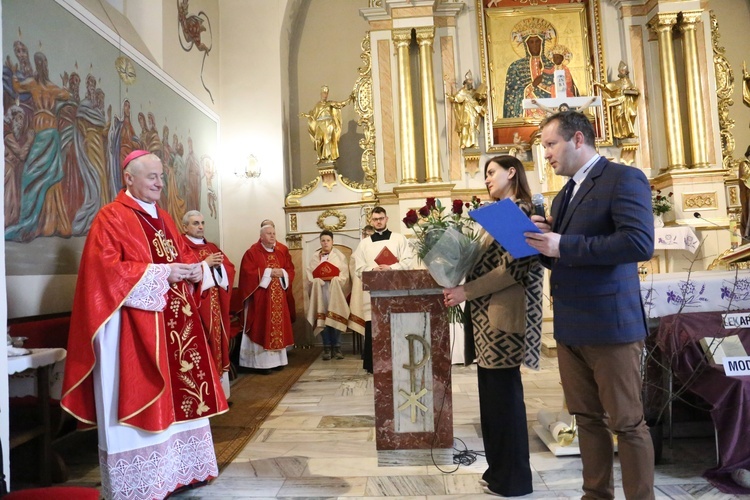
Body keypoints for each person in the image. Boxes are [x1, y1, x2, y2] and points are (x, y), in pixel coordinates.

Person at [61, 150, 228, 500]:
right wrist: (161, 272)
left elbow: (182, 256)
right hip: (134, 330)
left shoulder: (165, 218)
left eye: (161, 177)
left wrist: (194, 270)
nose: (159, 183)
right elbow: (102, 273)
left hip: (177, 326)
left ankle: (183, 471)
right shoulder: (111, 218)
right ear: (129, 178)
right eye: (151, 176)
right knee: (141, 393)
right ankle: (144, 482)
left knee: (183, 397)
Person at [524, 111, 655, 499]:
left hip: (611, 326)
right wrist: (540, 243)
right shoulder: (565, 193)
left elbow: (637, 243)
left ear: (577, 139)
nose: (545, 154)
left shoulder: (622, 178)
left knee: (628, 423)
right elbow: (563, 257)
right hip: (571, 326)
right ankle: (596, 495)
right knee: (587, 420)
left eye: (550, 144)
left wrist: (561, 243)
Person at [443, 156, 543, 497]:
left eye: (491, 172)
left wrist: (464, 291)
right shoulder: (498, 213)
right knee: (492, 399)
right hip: (486, 318)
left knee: (505, 399)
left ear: (511, 172)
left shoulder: (521, 212)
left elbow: (514, 271)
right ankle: (499, 471)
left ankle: (514, 479)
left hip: (503, 317)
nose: (486, 179)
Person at [351, 206, 415, 373]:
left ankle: (399, 363)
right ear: (371, 221)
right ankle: (374, 366)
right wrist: (373, 270)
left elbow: (408, 260)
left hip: (395, 291)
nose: (378, 221)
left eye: (381, 218)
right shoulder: (364, 244)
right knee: (375, 327)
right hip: (374, 293)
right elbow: (358, 267)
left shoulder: (399, 239)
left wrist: (391, 267)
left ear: (386, 219)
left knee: (396, 325)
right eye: (375, 219)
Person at [182, 209, 236, 398]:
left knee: (218, 343)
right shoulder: (182, 246)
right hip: (196, 307)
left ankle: (221, 394)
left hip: (217, 305)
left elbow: (229, 268)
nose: (201, 226)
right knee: (202, 345)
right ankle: (205, 395)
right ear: (185, 226)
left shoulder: (212, 246)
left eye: (202, 223)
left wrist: (218, 266)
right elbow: (185, 273)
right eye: (196, 223)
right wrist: (205, 264)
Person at [238, 220, 296, 372]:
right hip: (261, 298)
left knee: (278, 326)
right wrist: (269, 272)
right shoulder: (252, 253)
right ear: (261, 236)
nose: (272, 236)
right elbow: (247, 273)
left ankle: (277, 361)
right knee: (261, 326)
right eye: (269, 234)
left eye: (274, 234)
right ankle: (261, 364)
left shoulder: (280, 252)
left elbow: (289, 269)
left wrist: (282, 273)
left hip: (278, 298)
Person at [306, 230, 351, 360]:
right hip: (320, 291)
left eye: (328, 240)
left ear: (332, 242)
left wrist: (336, 279)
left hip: (334, 290)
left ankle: (337, 348)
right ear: (320, 242)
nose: (325, 243)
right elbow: (309, 274)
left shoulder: (339, 256)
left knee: (335, 316)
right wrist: (315, 280)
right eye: (323, 241)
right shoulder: (315, 257)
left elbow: (344, 274)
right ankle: (326, 348)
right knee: (323, 318)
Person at [503, 17, 556, 119]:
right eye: (531, 42)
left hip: (550, 114)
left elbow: (562, 90)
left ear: (542, 43)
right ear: (526, 44)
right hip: (526, 114)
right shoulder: (516, 67)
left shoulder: (552, 66)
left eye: (537, 41)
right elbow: (512, 95)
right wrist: (532, 85)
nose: (535, 45)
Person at [300, 85, 352, 164]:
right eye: (324, 93)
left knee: (328, 141)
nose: (325, 95)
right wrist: (306, 115)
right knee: (318, 140)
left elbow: (340, 104)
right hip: (320, 125)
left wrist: (349, 99)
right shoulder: (318, 105)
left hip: (329, 124)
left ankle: (329, 158)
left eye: (326, 93)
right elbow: (313, 116)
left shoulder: (330, 103)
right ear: (321, 94)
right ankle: (320, 157)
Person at [594, 61, 640, 139]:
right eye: (621, 70)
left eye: (623, 70)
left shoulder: (628, 81)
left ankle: (630, 132)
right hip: (619, 101)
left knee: (633, 114)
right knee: (619, 116)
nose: (622, 72)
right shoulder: (617, 83)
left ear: (626, 72)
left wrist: (634, 91)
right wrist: (598, 84)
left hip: (627, 102)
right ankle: (622, 133)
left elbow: (633, 89)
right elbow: (607, 86)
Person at [446, 70, 487, 149]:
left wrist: (484, 97)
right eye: (469, 81)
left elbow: (480, 99)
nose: (471, 83)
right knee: (465, 125)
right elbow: (456, 99)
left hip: (474, 111)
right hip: (466, 111)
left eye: (472, 81)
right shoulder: (462, 92)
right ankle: (464, 142)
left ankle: (474, 143)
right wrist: (450, 97)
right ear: (465, 83)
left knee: (473, 126)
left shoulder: (474, 92)